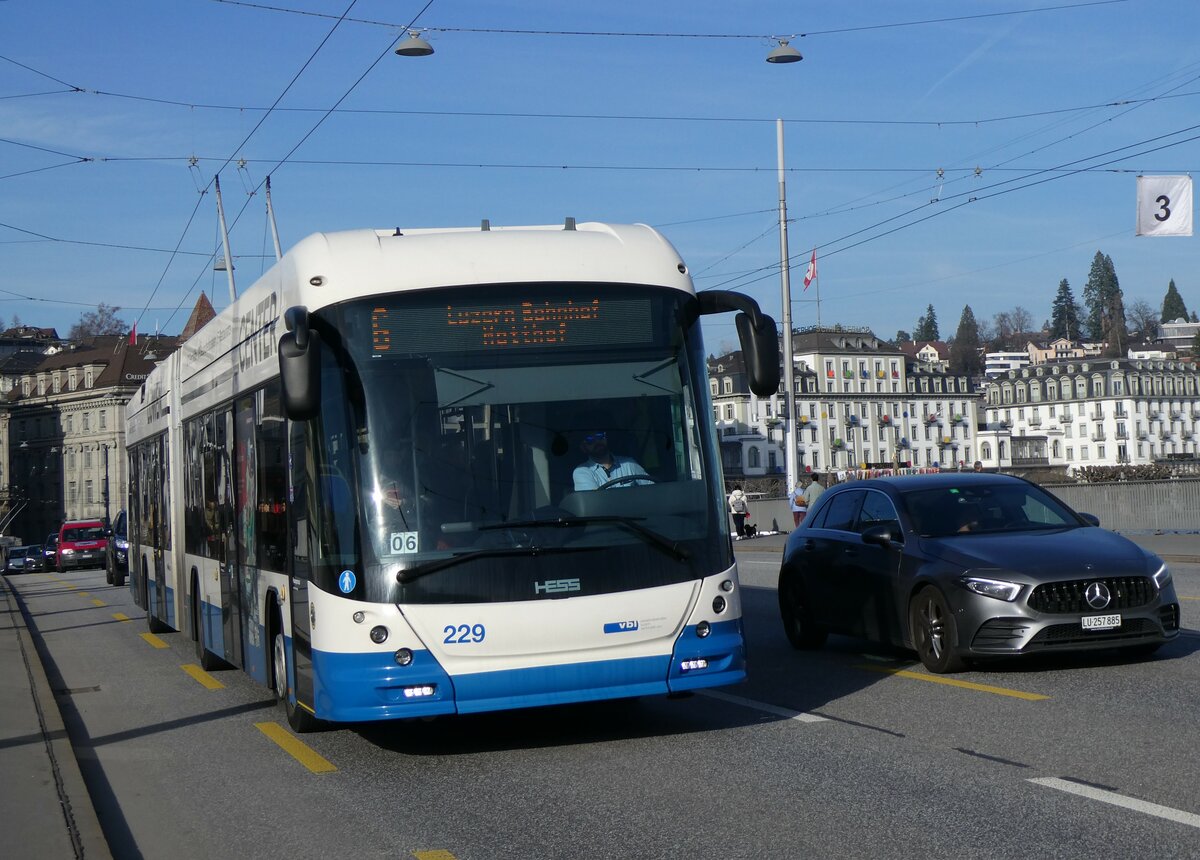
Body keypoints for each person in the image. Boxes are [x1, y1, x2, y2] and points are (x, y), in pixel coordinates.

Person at [573, 429, 649, 491]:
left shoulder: (629, 463)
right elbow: (593, 504)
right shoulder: (582, 472)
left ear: (606, 438)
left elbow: (651, 489)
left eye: (599, 436)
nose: (597, 442)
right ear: (583, 447)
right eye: (590, 440)